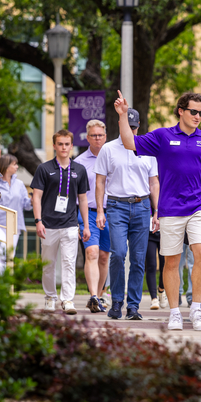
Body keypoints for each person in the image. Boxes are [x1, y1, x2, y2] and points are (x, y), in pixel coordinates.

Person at [114, 90, 201, 331]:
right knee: (171, 261)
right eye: (193, 111)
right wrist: (121, 115)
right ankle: (174, 312)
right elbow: (129, 142)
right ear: (181, 111)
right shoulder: (162, 136)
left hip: (200, 205)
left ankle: (196, 308)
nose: (198, 116)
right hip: (170, 208)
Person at [95, 108, 159, 321]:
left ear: (138, 126)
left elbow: (154, 183)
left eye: (133, 127)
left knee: (139, 259)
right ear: (119, 124)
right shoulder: (108, 149)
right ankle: (116, 302)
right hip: (117, 206)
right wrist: (100, 210)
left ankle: (133, 306)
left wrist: (156, 211)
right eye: (126, 126)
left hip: (142, 207)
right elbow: (100, 181)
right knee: (119, 254)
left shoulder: (148, 149)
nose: (130, 130)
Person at [31, 129, 91, 315]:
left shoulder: (79, 169)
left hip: (70, 224)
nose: (64, 147)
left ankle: (67, 300)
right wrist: (38, 221)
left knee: (68, 263)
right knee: (48, 264)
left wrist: (86, 225)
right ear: (55, 146)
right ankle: (50, 297)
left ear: (71, 146)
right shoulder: (44, 168)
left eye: (67, 144)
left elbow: (82, 200)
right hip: (48, 225)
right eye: (60, 144)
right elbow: (36, 197)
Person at [74, 120, 110, 314]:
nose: (97, 138)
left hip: (110, 212)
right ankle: (93, 296)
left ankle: (100, 294)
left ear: (106, 136)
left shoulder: (112, 157)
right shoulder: (79, 162)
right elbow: (76, 195)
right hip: (88, 212)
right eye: (94, 135)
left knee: (104, 257)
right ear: (87, 138)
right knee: (92, 253)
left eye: (101, 135)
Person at [0, 154, 32, 272]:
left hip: (15, 225)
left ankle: (8, 285)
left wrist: (32, 201)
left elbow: (26, 205)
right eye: (14, 164)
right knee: (1, 252)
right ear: (6, 166)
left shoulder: (19, 184)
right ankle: (1, 284)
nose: (17, 167)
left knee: (10, 255)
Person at [145, 229, 163, 309]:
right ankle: (154, 298)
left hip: (164, 232)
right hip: (149, 232)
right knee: (151, 265)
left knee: (165, 266)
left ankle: (161, 289)